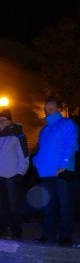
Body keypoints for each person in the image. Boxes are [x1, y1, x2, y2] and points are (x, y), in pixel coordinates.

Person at [32, 97, 79, 245]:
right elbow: (42, 149)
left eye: (51, 109)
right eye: (46, 110)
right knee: (48, 205)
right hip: (46, 172)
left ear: (59, 109)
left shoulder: (67, 123)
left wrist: (64, 164)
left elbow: (70, 144)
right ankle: (49, 234)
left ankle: (65, 237)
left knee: (65, 205)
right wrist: (37, 162)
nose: (48, 112)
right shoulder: (45, 129)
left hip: (61, 171)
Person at [0, 109, 29, 240]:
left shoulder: (18, 135)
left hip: (12, 175)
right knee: (1, 204)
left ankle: (16, 230)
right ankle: (2, 229)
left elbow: (24, 155)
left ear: (10, 121)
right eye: (0, 121)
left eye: (5, 120)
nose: (2, 123)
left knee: (14, 204)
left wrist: (20, 172)